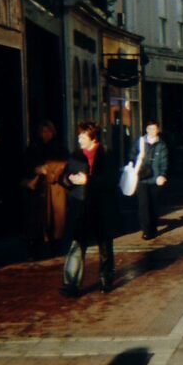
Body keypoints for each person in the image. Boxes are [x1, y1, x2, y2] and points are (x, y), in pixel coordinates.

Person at [59, 121, 121, 294]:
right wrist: (69, 180)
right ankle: (71, 284)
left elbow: (110, 180)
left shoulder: (106, 154)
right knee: (77, 244)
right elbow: (62, 177)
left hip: (101, 206)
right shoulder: (75, 155)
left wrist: (88, 180)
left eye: (82, 135)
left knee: (104, 245)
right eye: (78, 135)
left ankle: (105, 279)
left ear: (92, 137)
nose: (78, 138)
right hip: (81, 206)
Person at [21, 120, 68, 259]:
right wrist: (36, 170)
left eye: (48, 131)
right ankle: (37, 250)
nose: (45, 134)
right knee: (37, 221)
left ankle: (55, 248)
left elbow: (64, 164)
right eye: (43, 131)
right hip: (37, 191)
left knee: (54, 220)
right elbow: (25, 165)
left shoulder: (59, 148)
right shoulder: (34, 148)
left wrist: (52, 171)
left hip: (54, 190)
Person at [130, 120, 169, 240]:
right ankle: (146, 229)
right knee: (143, 205)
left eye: (154, 128)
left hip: (155, 179)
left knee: (154, 204)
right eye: (149, 128)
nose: (151, 131)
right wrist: (134, 165)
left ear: (158, 130)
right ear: (146, 130)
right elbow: (132, 156)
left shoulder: (162, 145)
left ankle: (153, 226)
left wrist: (162, 175)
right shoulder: (140, 142)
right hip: (141, 178)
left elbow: (164, 161)